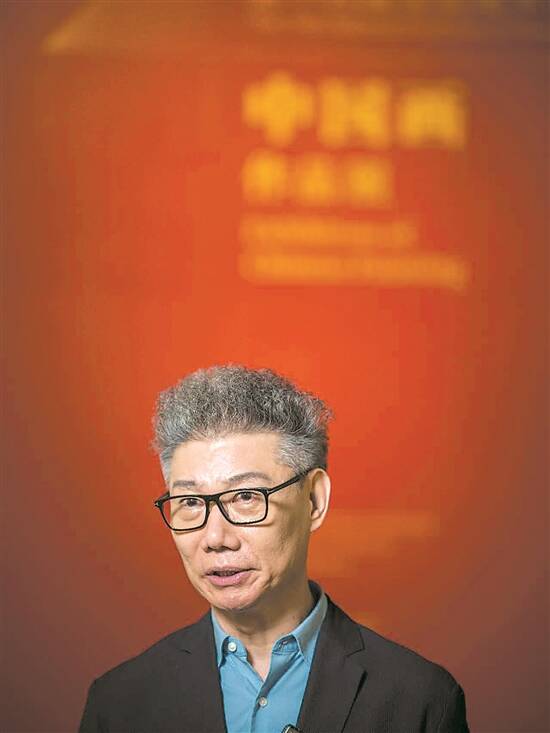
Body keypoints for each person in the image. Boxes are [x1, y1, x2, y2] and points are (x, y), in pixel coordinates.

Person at [79, 365, 469, 733]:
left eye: (246, 496)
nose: (215, 538)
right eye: (191, 502)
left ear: (313, 500)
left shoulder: (420, 701)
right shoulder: (118, 704)